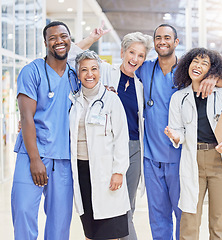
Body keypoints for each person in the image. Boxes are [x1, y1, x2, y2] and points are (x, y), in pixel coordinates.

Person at [135, 24, 222, 240]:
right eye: (158, 37)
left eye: (167, 37)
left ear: (176, 42)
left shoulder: (189, 70)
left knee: (186, 217)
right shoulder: (145, 68)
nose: (162, 41)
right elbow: (122, 69)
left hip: (182, 157)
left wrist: (214, 78)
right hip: (152, 158)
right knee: (158, 217)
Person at [71, 31, 153, 240]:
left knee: (126, 207)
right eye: (131, 52)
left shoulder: (141, 86)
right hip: (104, 147)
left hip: (132, 148)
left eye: (140, 55)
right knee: (107, 207)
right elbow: (72, 57)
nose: (135, 59)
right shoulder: (105, 70)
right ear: (122, 52)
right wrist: (91, 38)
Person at [164, 48, 222, 240]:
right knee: (189, 221)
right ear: (187, 65)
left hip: (220, 161)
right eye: (195, 61)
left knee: (219, 222)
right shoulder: (179, 98)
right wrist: (176, 137)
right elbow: (179, 131)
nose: (198, 66)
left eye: (205, 63)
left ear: (212, 70)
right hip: (193, 161)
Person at [11, 21, 79, 240]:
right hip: (32, 154)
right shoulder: (32, 71)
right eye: (53, 38)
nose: (59, 41)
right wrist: (34, 159)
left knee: (60, 223)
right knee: (23, 211)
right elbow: (26, 117)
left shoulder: (75, 76)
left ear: (70, 40)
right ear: (45, 43)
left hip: (63, 158)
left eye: (63, 36)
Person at [69, 50, 130, 240]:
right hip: (81, 170)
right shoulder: (73, 100)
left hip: (107, 171)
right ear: (78, 74)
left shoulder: (112, 100)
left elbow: (121, 137)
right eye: (84, 70)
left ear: (100, 71)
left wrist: (119, 171)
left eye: (94, 69)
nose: (89, 74)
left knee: (111, 231)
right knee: (90, 231)